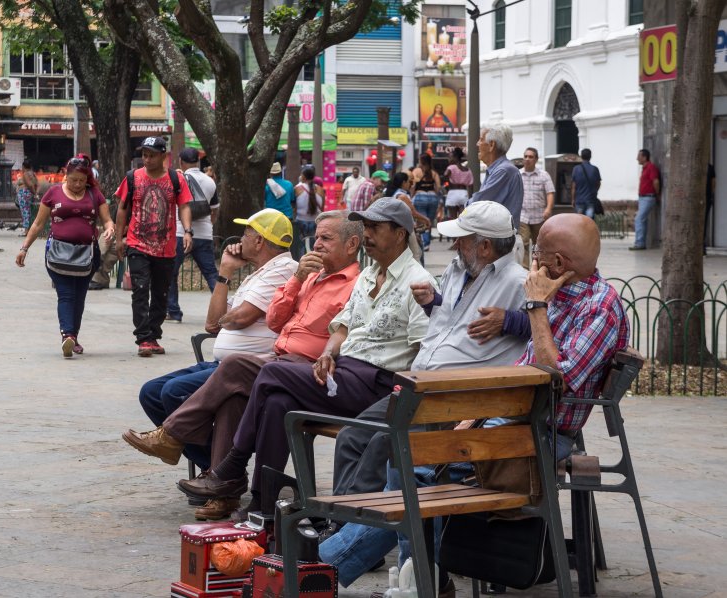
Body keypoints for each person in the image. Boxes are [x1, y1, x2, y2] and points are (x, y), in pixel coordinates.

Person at [323, 213, 629, 593]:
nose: (531, 262)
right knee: (408, 459)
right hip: (509, 422)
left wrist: (535, 308)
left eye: (537, 255)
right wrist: (480, 417)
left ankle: (334, 569)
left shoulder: (597, 307)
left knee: (415, 469)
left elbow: (554, 381)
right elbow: (520, 369)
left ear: (559, 264)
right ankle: (416, 578)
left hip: (543, 433)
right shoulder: (554, 295)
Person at [177, 198, 433, 517]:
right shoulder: (370, 275)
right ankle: (263, 504)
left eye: (374, 228)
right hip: (341, 372)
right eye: (365, 226)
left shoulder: (418, 281)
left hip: (377, 385)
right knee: (277, 402)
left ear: (399, 234)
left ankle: (231, 466)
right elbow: (342, 326)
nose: (367, 234)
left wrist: (401, 401)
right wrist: (328, 353)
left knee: (270, 373)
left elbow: (425, 350)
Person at [320, 202, 531, 591]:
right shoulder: (457, 272)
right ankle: (407, 571)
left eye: (461, 240)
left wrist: (511, 320)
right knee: (367, 442)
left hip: (457, 399)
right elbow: (450, 327)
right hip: (420, 385)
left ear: (484, 247)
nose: (453, 247)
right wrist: (432, 304)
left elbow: (545, 333)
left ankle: (345, 565)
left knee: (399, 459)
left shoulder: (518, 282)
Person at [122, 211, 361, 520]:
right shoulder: (307, 274)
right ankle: (224, 487)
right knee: (229, 396)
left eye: (326, 239)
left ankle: (173, 436)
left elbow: (238, 320)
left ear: (352, 244)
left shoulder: (354, 283)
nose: (317, 245)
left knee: (227, 372)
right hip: (275, 360)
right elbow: (273, 319)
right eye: (316, 237)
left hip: (306, 367)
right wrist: (298, 280)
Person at [124, 208, 296, 472]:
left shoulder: (284, 269)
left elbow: (238, 319)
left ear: (260, 241)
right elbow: (213, 323)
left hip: (248, 367)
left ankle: (219, 470)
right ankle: (215, 467)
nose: (241, 239)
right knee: (151, 392)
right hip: (221, 365)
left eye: (246, 233)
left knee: (174, 392)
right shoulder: (258, 272)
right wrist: (225, 272)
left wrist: (228, 318)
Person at [15, 157, 114, 357]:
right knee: (66, 294)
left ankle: (73, 336)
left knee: (80, 296)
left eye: (81, 180)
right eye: (73, 180)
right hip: (58, 254)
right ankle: (67, 335)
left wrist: (110, 229)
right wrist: (24, 248)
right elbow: (37, 224)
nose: (78, 184)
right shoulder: (53, 193)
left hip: (87, 254)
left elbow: (107, 220)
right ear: (65, 176)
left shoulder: (95, 194)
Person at [114, 136, 194, 356]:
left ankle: (153, 335)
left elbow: (185, 206)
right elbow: (122, 208)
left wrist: (187, 231)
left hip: (166, 247)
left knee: (161, 293)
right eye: (144, 155)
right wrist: (120, 238)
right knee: (140, 289)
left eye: (151, 155)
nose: (146, 160)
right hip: (137, 244)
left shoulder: (175, 179)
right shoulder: (133, 177)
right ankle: (143, 338)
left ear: (163, 156)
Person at [166, 147, 219, 323]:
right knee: (211, 273)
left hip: (180, 232)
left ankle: (173, 311)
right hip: (204, 234)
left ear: (181, 161)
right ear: (198, 161)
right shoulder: (210, 182)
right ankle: (223, 310)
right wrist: (208, 226)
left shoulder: (177, 178)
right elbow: (214, 210)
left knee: (172, 272)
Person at [468, 123, 523, 226]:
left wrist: (466, 205)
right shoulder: (498, 169)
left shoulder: (504, 170)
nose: (477, 144)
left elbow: (477, 205)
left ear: (492, 145)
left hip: (499, 238)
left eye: (481, 139)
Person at [519, 147, 555, 268]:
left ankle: (538, 268)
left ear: (536, 159)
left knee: (538, 245)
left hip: (539, 216)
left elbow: (550, 192)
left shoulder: (543, 175)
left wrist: (548, 208)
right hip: (523, 215)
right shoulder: (518, 175)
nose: (527, 159)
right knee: (523, 243)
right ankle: (524, 270)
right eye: (525, 156)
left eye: (531, 157)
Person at [411, 153, 444, 250]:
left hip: (420, 197)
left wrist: (411, 196)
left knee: (422, 221)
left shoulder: (416, 172)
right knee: (429, 221)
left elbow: (413, 186)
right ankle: (427, 242)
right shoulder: (434, 173)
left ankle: (424, 242)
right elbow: (438, 188)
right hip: (433, 198)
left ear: (421, 161)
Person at [384, 171, 431, 237]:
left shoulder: (395, 193)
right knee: (414, 247)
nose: (410, 184)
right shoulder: (402, 196)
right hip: (404, 229)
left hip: (397, 228)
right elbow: (413, 213)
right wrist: (426, 219)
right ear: (404, 182)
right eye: (409, 182)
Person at [291, 166, 324, 260]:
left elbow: (294, 205)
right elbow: (322, 207)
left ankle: (302, 262)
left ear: (304, 177)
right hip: (316, 221)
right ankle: (314, 261)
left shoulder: (298, 188)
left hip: (301, 221)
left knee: (301, 244)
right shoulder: (320, 189)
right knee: (314, 244)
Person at [632, 148, 661, 251]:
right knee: (642, 219)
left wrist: (657, 194)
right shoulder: (644, 168)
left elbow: (656, 182)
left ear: (644, 157)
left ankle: (640, 243)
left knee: (639, 219)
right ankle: (641, 242)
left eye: (639, 156)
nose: (637, 158)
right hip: (643, 197)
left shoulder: (651, 167)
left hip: (648, 197)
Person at [443, 146, 473, 221]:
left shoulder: (451, 167)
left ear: (455, 157)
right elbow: (471, 185)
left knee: (453, 218)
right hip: (463, 193)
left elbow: (445, 175)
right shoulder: (468, 170)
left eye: (450, 157)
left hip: (453, 192)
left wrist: (447, 185)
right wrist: (470, 198)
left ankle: (453, 232)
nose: (449, 159)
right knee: (462, 218)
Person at [570, 148, 601, 219]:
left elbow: (573, 186)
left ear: (581, 156)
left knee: (580, 221)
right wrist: (594, 192)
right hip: (590, 199)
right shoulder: (595, 169)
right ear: (590, 156)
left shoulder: (576, 169)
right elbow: (598, 184)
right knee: (589, 221)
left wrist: (573, 199)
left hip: (579, 200)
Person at [15, 158, 39, 234]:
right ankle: (29, 230)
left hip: (24, 193)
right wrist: (35, 193)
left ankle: (26, 231)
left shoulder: (25, 174)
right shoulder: (32, 173)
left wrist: (34, 193)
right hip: (29, 194)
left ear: (23, 166)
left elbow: (30, 185)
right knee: (28, 211)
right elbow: (37, 184)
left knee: (25, 212)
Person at [704, 163, 716, 256]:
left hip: (705, 198)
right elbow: (713, 183)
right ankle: (702, 248)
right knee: (703, 222)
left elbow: (713, 182)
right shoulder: (710, 167)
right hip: (706, 198)